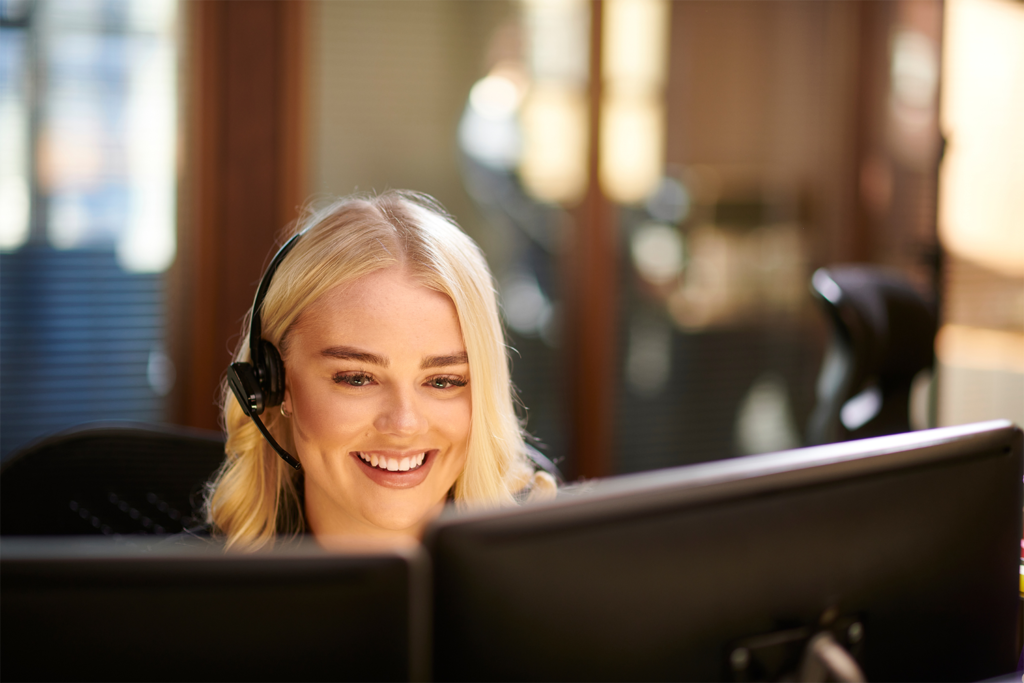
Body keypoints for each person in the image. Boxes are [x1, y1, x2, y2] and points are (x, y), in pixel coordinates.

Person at [204, 190, 557, 551]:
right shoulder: (183, 601)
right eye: (357, 378)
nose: (404, 424)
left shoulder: (567, 583)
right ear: (274, 382)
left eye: (442, 381)